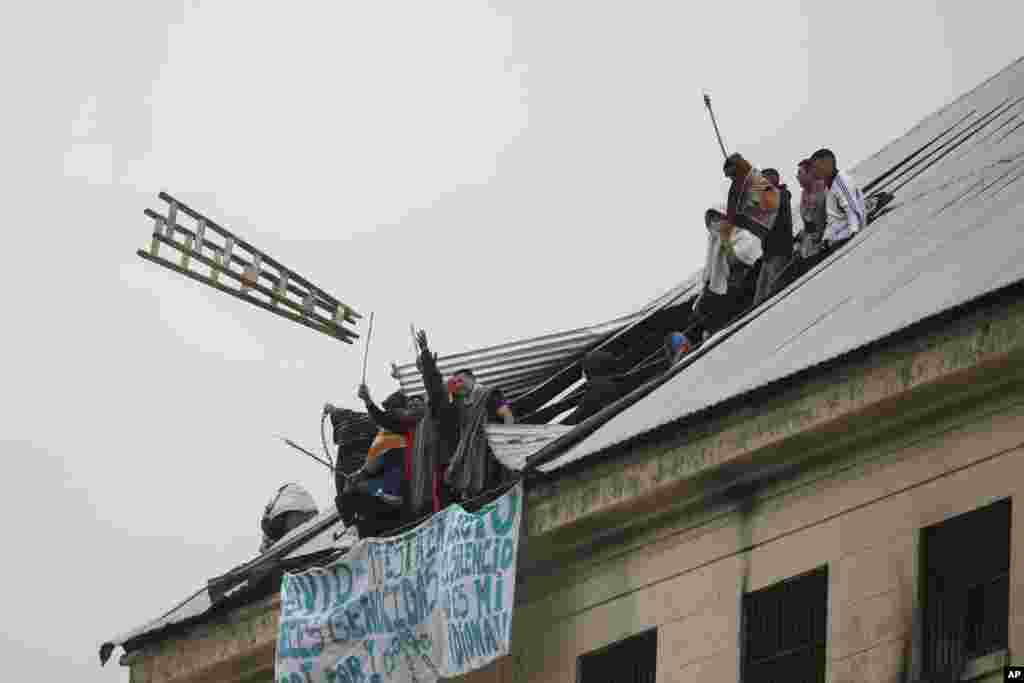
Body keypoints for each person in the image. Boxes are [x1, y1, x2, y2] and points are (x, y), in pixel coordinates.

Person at [444, 366, 515, 501]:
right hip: (472, 459)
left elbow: (507, 415)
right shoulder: (460, 405)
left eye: (461, 381)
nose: (458, 385)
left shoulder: (488, 394)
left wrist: (507, 443)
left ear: (473, 379)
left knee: (496, 492)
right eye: (455, 383)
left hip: (491, 452)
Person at [810, 148, 866, 250]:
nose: (814, 171)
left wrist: (853, 235)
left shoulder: (841, 183)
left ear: (827, 165)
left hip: (843, 236)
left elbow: (855, 213)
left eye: (816, 167)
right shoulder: (828, 184)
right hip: (833, 235)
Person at [753, 168, 794, 305]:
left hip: (779, 252)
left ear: (774, 180)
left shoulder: (782, 196)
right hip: (769, 255)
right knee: (759, 298)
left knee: (774, 293)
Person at [260, 483, 318, 552]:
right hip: (310, 516)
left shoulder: (283, 496)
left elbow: (272, 528)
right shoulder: (292, 492)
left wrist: (265, 520)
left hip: (294, 514)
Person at [796, 159, 827, 259]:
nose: (797, 177)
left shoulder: (823, 188)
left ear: (810, 173)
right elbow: (808, 223)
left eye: (800, 173)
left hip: (825, 240)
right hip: (812, 244)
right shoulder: (804, 194)